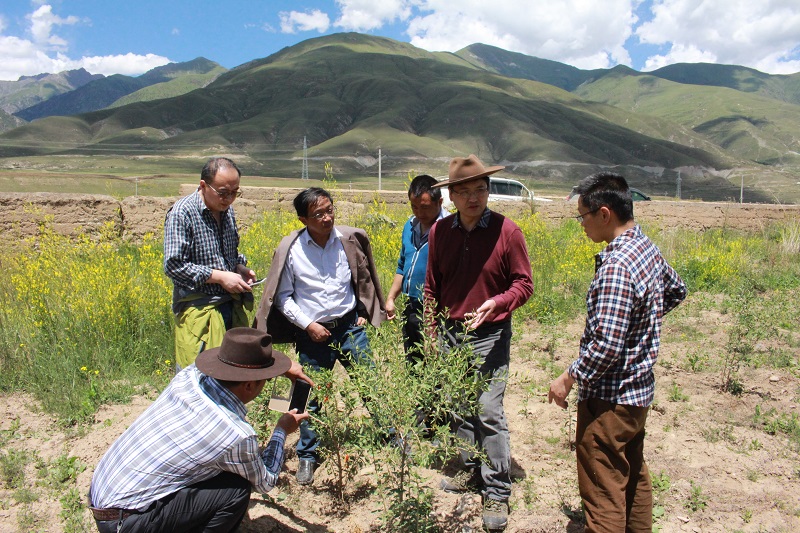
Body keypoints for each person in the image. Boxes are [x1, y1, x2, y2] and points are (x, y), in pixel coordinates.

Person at [548, 172, 687, 532]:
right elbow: (676, 289)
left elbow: (607, 345)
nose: (580, 225)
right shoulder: (646, 248)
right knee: (633, 473)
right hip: (638, 394)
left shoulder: (615, 266)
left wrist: (568, 377)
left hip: (610, 399)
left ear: (605, 213)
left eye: (583, 216)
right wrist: (642, 322)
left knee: (603, 489)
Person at [88, 327, 312, 533]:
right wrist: (282, 429)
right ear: (249, 385)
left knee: (218, 470)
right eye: (265, 380)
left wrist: (279, 368)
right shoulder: (234, 433)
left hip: (102, 491)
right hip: (124, 522)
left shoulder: (189, 376)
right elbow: (265, 481)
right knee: (236, 490)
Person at [425, 154, 533, 531]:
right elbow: (431, 288)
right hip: (451, 333)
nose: (475, 197)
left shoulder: (508, 232)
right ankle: (471, 469)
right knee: (458, 407)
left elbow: (524, 284)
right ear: (452, 195)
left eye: (481, 189)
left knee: (488, 410)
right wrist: (431, 333)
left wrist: (497, 303)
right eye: (466, 191)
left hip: (490, 334)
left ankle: (497, 491)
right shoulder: (439, 233)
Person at [253, 187, 386, 486]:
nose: (327, 218)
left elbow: (360, 278)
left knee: (371, 386)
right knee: (310, 395)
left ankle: (389, 439)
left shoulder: (347, 241)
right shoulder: (293, 250)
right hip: (313, 335)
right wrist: (308, 324)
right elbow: (283, 298)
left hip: (350, 327)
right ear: (303, 219)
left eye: (329, 210)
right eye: (318, 214)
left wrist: (362, 310)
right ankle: (307, 456)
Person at [164, 157, 257, 370]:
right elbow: (174, 265)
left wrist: (239, 268)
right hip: (200, 313)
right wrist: (220, 277)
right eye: (223, 192)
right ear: (204, 185)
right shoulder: (182, 213)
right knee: (200, 376)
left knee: (232, 375)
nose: (229, 199)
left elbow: (227, 253)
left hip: (229, 306)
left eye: (235, 192)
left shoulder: (227, 210)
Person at [385, 174, 446, 364]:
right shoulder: (409, 226)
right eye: (414, 206)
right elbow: (402, 265)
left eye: (425, 207)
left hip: (438, 308)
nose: (419, 212)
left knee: (436, 362)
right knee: (413, 361)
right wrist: (391, 298)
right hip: (411, 306)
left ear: (440, 202)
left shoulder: (449, 230)